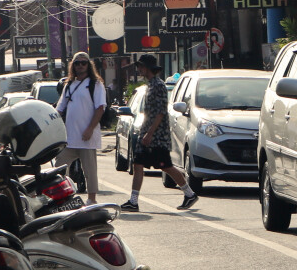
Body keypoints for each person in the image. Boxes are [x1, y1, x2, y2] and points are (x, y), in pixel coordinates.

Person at [120, 53, 198, 212]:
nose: (139, 69)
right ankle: (133, 201)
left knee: (166, 166)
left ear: (147, 68)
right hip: (147, 133)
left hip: (156, 136)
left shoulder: (159, 86)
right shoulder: (150, 85)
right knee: (138, 164)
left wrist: (150, 133)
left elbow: (161, 112)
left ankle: (189, 194)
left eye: (141, 66)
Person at [55, 52, 106, 204]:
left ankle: (92, 199)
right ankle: (61, 197)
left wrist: (90, 128)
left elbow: (100, 108)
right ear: (73, 65)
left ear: (88, 65)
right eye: (77, 63)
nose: (80, 66)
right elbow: (59, 108)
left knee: (90, 170)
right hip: (70, 137)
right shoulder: (69, 84)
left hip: (87, 136)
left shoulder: (95, 84)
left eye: (83, 63)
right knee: (59, 166)